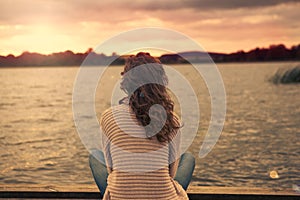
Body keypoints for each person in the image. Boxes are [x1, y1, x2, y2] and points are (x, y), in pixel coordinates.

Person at [89, 52, 195, 199]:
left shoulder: (109, 116)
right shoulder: (170, 119)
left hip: (121, 196)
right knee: (188, 158)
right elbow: (171, 173)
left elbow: (112, 169)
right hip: (163, 196)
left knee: (95, 156)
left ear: (126, 82)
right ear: (159, 82)